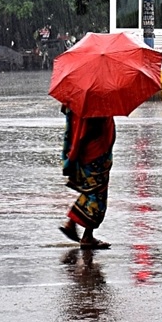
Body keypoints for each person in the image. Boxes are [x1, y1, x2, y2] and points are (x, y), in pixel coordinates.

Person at [58, 105, 115, 249]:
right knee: (97, 195)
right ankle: (86, 235)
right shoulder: (95, 106)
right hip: (96, 153)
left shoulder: (76, 103)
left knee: (91, 191)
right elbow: (90, 129)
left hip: (88, 153)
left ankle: (73, 224)